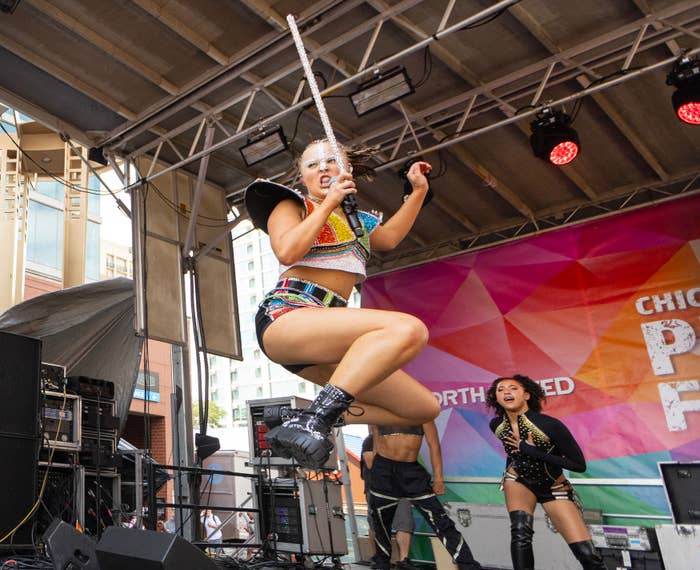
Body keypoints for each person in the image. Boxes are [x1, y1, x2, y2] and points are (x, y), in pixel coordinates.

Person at [244, 139, 441, 468]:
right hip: (287, 314)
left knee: (423, 408)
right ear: (302, 177)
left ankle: (312, 417)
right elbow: (288, 251)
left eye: (331, 162)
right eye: (312, 165)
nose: (322, 168)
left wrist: (418, 192)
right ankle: (316, 419)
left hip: (327, 331)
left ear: (347, 171)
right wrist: (329, 201)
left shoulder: (358, 221)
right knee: (408, 329)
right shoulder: (293, 207)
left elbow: (390, 237)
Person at [486, 375, 605, 570]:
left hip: (554, 488)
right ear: (496, 398)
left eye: (513, 388)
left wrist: (534, 452)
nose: (506, 392)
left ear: (526, 395)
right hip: (518, 481)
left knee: (587, 553)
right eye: (500, 389)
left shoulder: (549, 425)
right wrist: (512, 468)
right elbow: (512, 452)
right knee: (520, 533)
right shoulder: (496, 425)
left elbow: (578, 465)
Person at [368, 422, 481, 570]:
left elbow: (434, 446)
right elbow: (376, 445)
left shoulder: (421, 412)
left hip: (411, 472)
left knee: (441, 521)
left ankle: (468, 565)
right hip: (383, 471)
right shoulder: (381, 414)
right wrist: (374, 474)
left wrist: (438, 478)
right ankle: (381, 564)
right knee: (380, 522)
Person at [361, 433, 415, 569]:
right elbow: (370, 462)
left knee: (405, 523)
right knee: (376, 525)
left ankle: (404, 560)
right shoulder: (371, 440)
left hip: (400, 489)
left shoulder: (402, 440)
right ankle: (378, 557)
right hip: (377, 490)